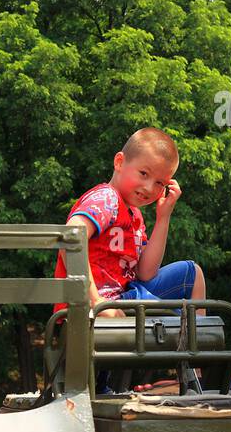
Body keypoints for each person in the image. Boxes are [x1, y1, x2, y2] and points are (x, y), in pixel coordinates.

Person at [52, 127, 206, 323]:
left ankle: (202, 343)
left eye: (160, 183)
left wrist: (163, 218)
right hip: (97, 302)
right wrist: (95, 301)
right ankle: (203, 345)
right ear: (119, 162)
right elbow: (70, 236)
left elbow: (146, 273)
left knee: (191, 273)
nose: (149, 187)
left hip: (124, 296)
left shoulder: (134, 215)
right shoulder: (106, 198)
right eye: (143, 173)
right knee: (173, 321)